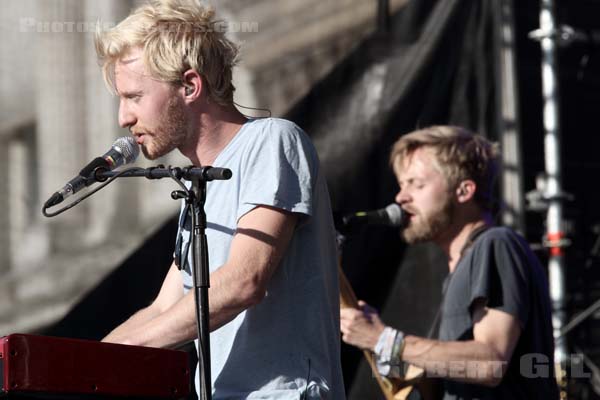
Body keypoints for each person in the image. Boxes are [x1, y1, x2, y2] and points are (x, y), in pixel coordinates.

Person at [94, 1, 345, 398]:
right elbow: (164, 309)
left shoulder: (271, 141)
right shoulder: (198, 188)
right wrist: (77, 365)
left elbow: (244, 281)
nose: (124, 117)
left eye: (135, 96)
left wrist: (114, 358)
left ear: (190, 86)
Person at [339, 126, 559, 399]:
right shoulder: (461, 269)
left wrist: (383, 340)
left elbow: (489, 363)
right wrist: (379, 346)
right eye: (401, 184)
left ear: (464, 190)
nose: (400, 197)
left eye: (416, 184)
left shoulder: (496, 244)